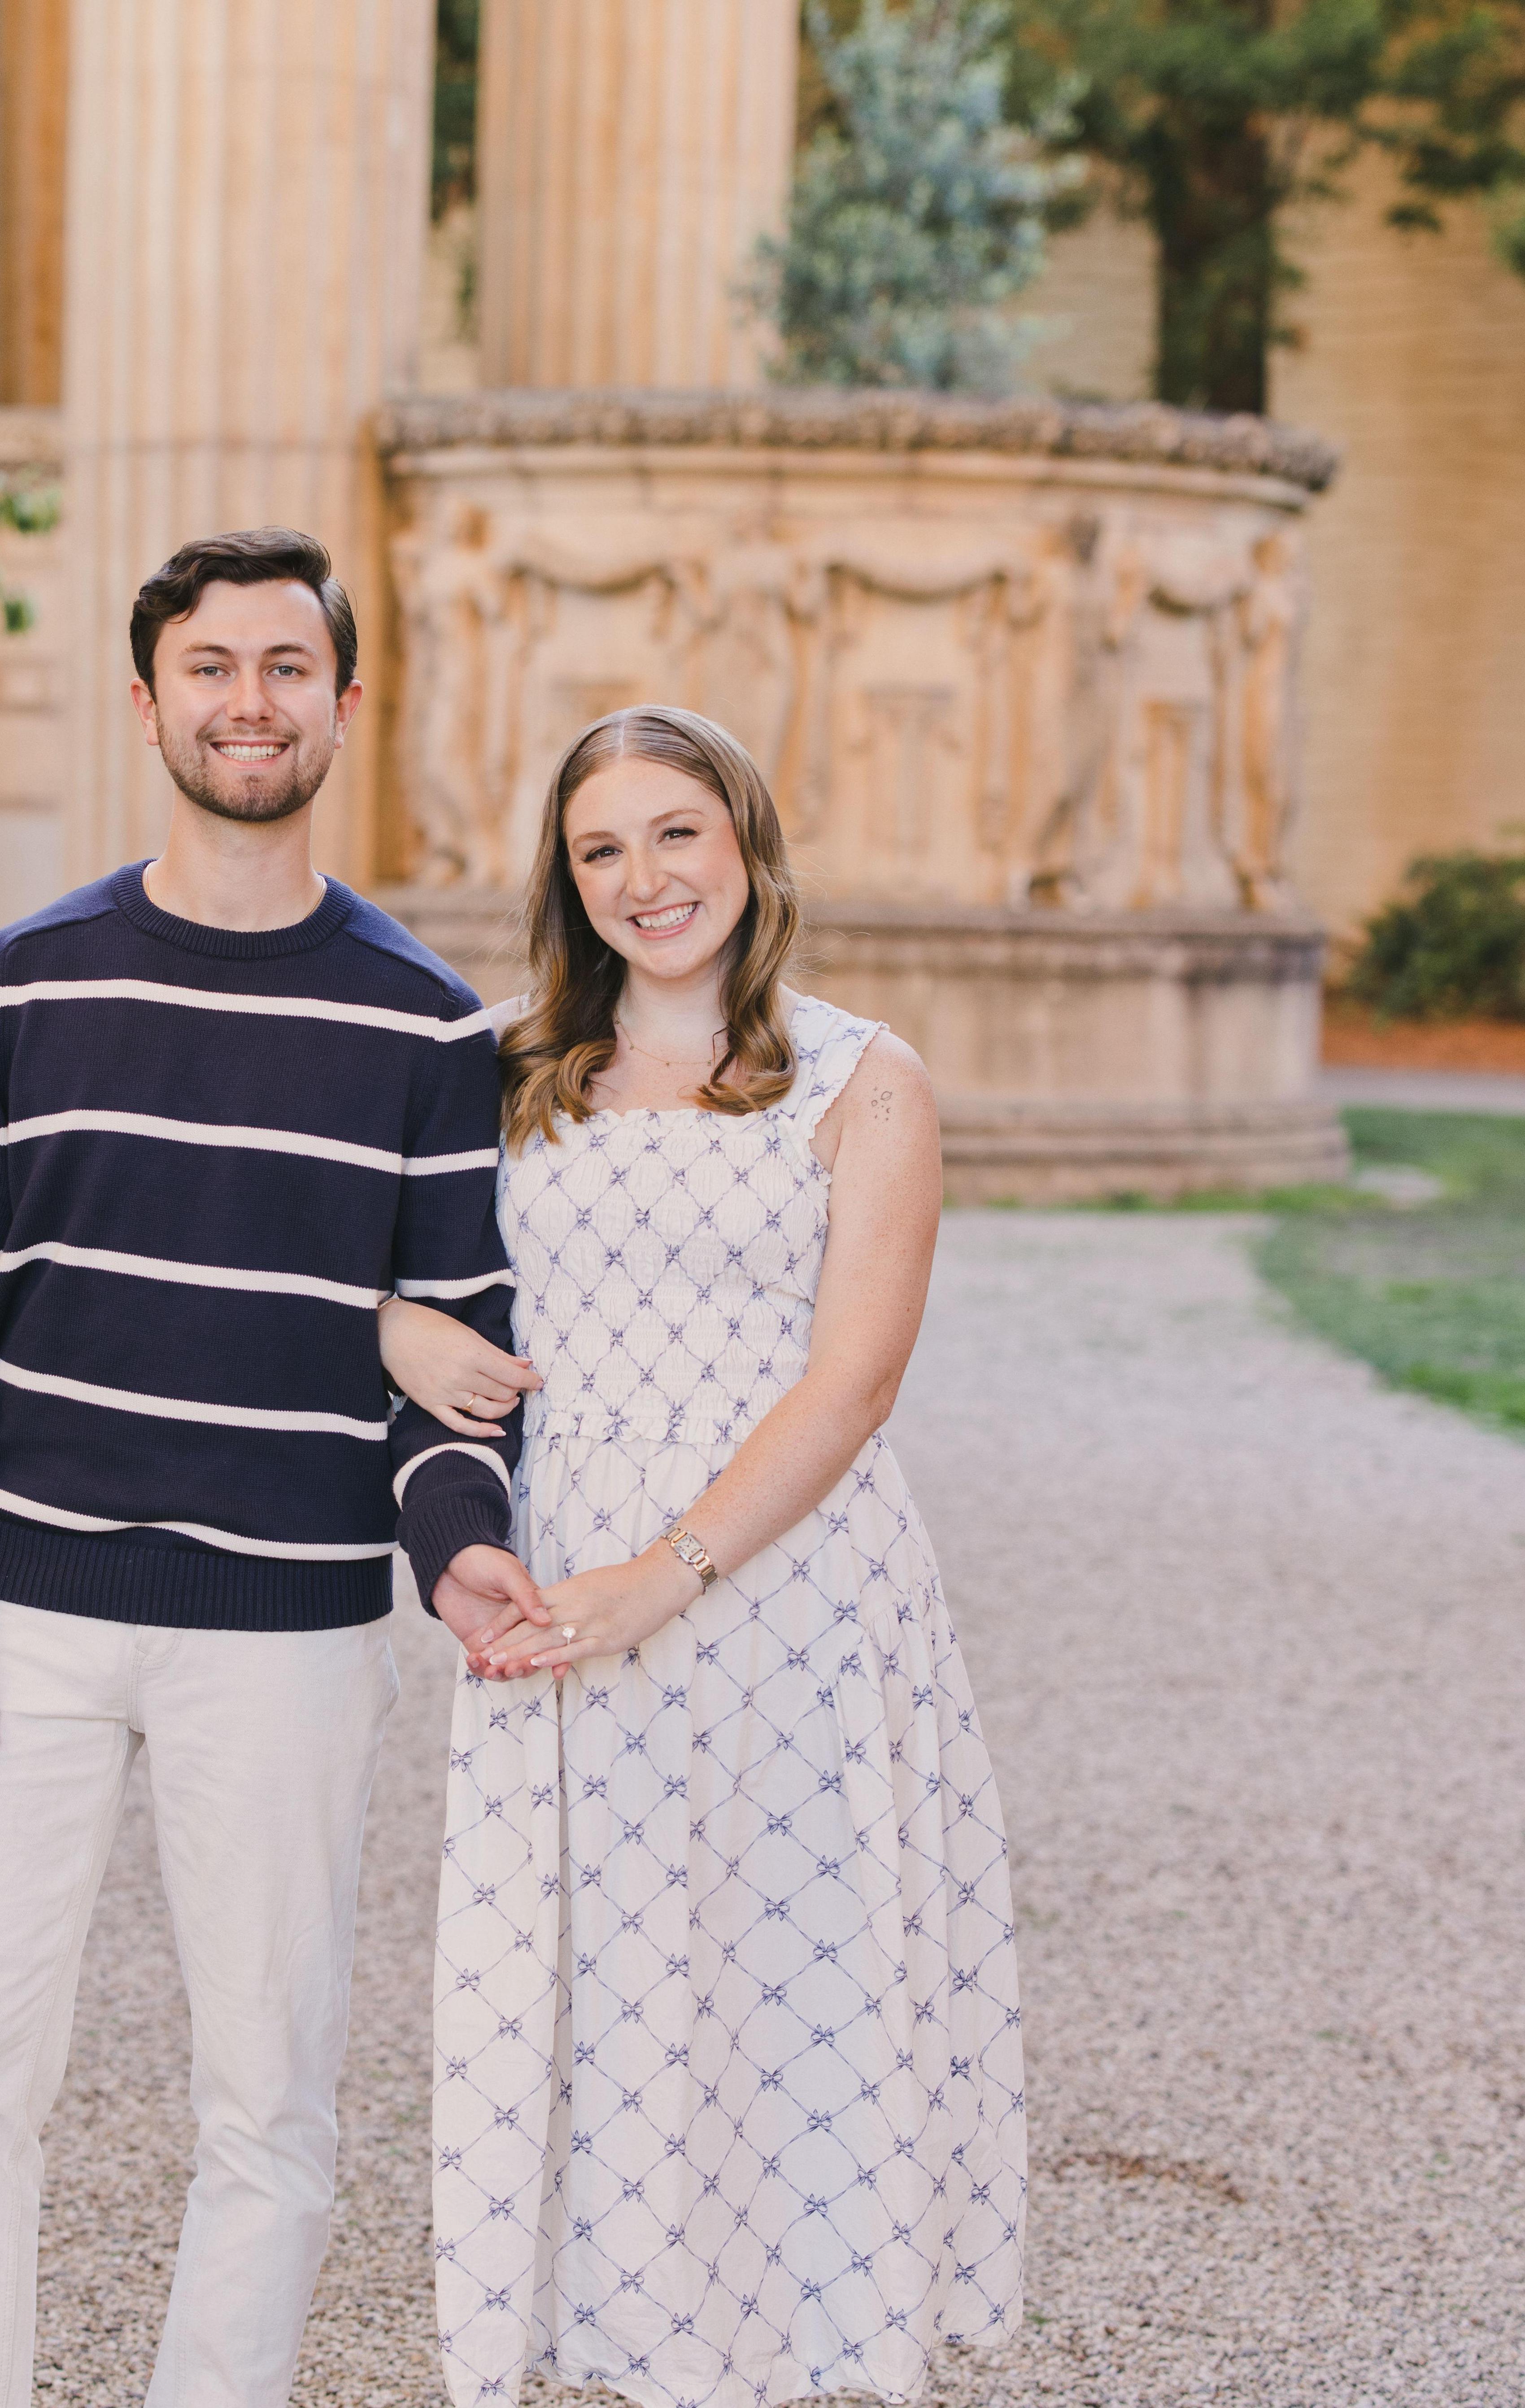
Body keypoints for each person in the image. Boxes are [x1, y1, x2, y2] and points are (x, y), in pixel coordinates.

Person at [0, 525, 538, 2408]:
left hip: (294, 1634)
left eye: (287, 667)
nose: (252, 702)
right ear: (148, 703)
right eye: (213, 668)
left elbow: (455, 1352)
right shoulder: (17, 986)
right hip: (18, 1623)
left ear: (345, 701)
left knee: (270, 2099)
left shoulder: (423, 1022)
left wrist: (461, 1547)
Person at [381, 705, 1027, 2408]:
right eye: (602, 848)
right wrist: (395, 1332)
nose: (645, 878)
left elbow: (856, 1378)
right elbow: (386, 1278)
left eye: (677, 833)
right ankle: (630, 2346)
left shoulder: (860, 1076)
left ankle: (809, 2355)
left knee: (781, 1980)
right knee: (598, 1984)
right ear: (565, 878)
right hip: (555, 1566)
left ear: (745, 841)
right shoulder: (499, 1071)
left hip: (787, 1584)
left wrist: (660, 1579)